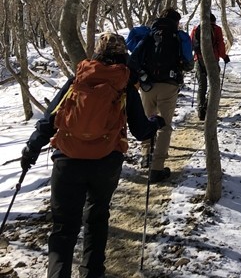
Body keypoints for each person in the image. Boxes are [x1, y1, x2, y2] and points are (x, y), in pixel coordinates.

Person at [20, 32, 164, 278]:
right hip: (106, 162)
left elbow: (50, 119)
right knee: (96, 221)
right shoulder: (125, 83)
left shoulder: (78, 77)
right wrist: (156, 122)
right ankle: (92, 273)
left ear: (97, 51)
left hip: (67, 160)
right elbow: (141, 131)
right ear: (123, 55)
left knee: (63, 228)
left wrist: (31, 150)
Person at [128, 7, 194, 183]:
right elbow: (189, 62)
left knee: (147, 120)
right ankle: (157, 168)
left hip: (147, 84)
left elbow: (131, 41)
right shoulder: (179, 36)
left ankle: (145, 156)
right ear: (176, 21)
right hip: (169, 85)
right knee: (164, 125)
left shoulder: (148, 32)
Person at [190, 13, 230, 121]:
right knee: (214, 84)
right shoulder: (216, 29)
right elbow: (220, 44)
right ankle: (208, 107)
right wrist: (224, 56)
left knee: (201, 85)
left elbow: (191, 44)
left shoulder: (195, 28)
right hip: (212, 60)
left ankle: (200, 110)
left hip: (198, 60)